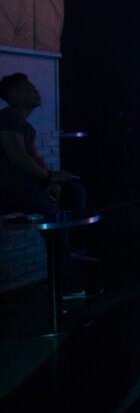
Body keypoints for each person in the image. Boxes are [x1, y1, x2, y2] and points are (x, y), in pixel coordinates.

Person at [0, 73, 94, 298]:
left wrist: (51, 180)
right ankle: (65, 285)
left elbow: (34, 158)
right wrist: (49, 176)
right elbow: (18, 158)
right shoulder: (8, 118)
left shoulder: (23, 124)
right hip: (10, 188)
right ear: (13, 95)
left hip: (25, 184)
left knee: (74, 191)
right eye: (28, 87)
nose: (35, 90)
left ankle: (73, 249)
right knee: (55, 217)